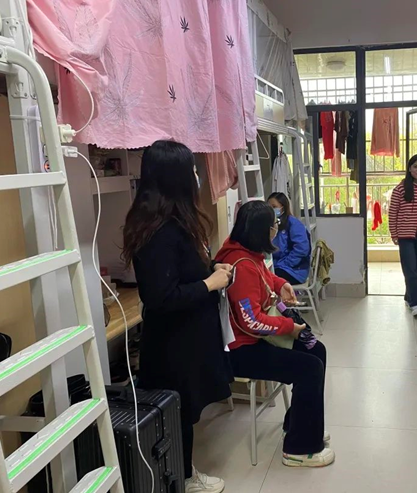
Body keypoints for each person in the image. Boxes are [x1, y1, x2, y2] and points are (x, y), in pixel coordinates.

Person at [122, 140, 233, 493]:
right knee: (176, 412)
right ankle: (182, 479)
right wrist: (210, 284)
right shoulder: (159, 232)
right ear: (178, 178)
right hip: (174, 343)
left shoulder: (174, 222)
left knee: (182, 411)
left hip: (188, 337)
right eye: (193, 170)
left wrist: (211, 269)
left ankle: (182, 475)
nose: (198, 176)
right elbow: (161, 297)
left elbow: (182, 273)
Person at [215, 201, 335, 468]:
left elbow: (265, 278)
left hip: (257, 339)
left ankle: (299, 426)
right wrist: (288, 327)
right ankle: (299, 450)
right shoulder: (241, 264)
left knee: (316, 350)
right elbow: (251, 323)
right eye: (274, 224)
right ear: (263, 230)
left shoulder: (247, 253)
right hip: (242, 350)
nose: (276, 228)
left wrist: (281, 284)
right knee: (310, 368)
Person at [388, 154, 417, 317]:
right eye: (415, 166)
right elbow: (392, 212)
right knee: (410, 270)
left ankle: (409, 297)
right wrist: (394, 233)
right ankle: (416, 303)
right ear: (409, 168)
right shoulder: (401, 189)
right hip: (405, 235)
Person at [267, 192, 311, 285]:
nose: (270, 210)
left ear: (283, 208)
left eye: (274, 207)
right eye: (268, 207)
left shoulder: (293, 223)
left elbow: (302, 249)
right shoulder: (270, 224)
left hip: (294, 270)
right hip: (277, 265)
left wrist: (284, 264)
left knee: (267, 279)